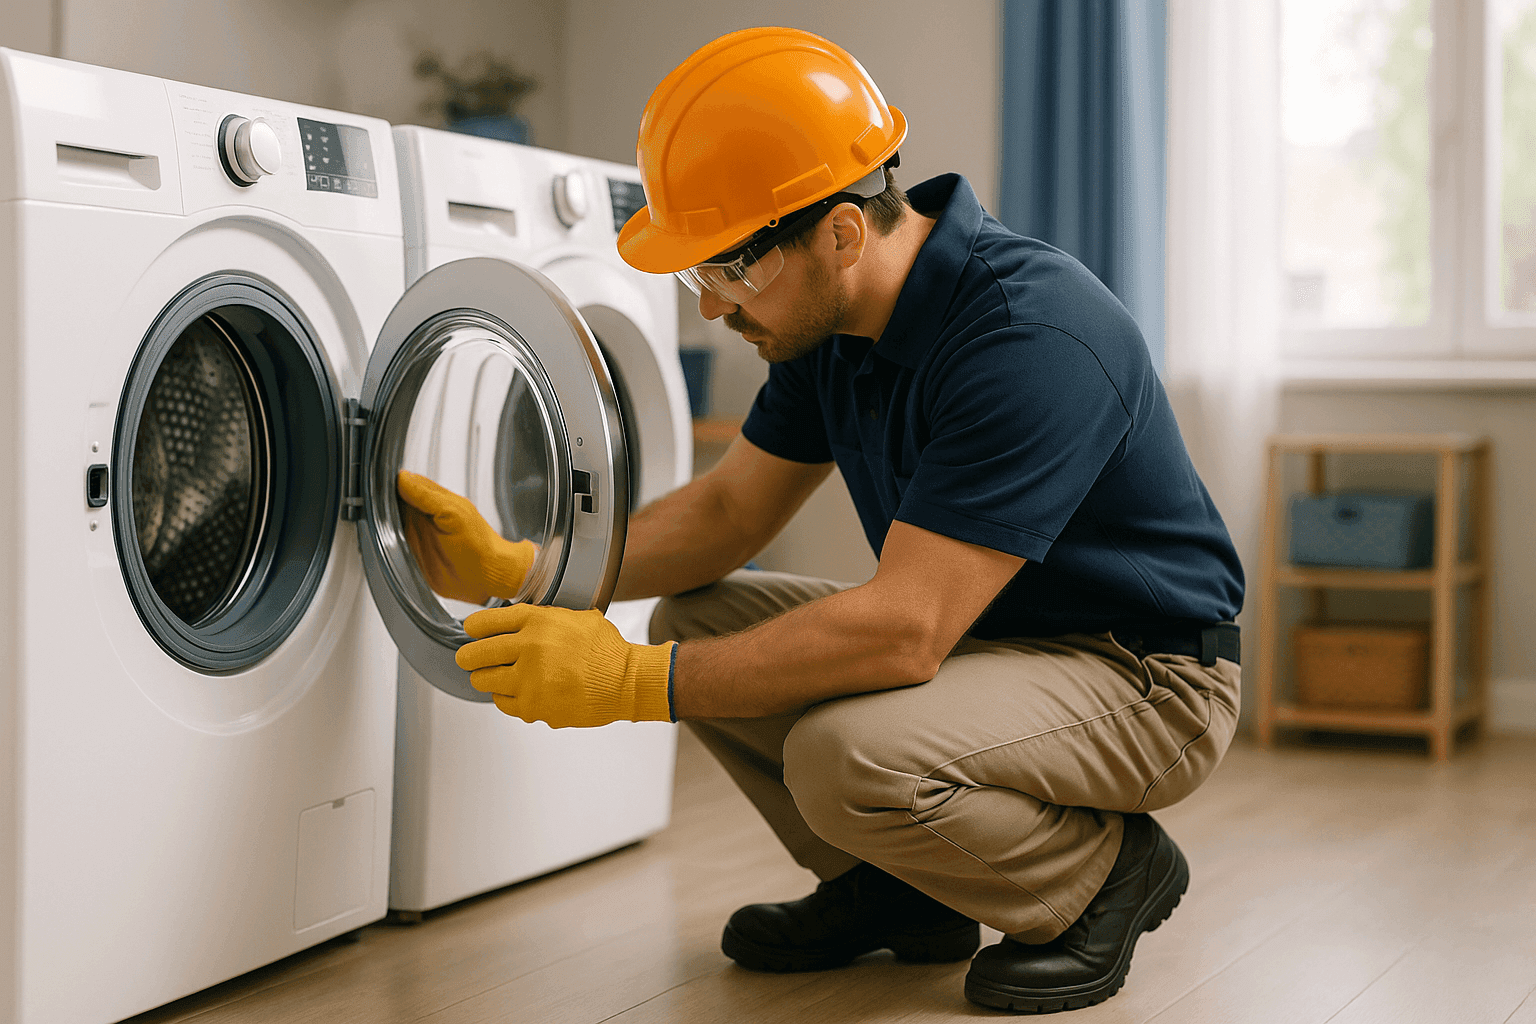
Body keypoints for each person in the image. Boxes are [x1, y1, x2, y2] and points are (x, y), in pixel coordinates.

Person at [396, 26, 1244, 1015]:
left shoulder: (1028, 337)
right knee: (696, 622)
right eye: (695, 276)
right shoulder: (827, 324)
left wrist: (630, 684)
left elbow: (906, 626)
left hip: (1147, 674)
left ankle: (1100, 874)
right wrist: (528, 566)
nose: (712, 307)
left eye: (731, 269)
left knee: (844, 754)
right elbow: (725, 511)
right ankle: (901, 890)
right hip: (1001, 642)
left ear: (842, 232)